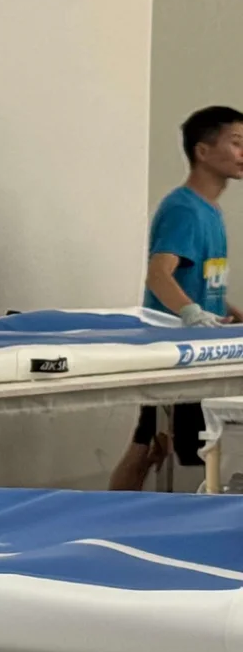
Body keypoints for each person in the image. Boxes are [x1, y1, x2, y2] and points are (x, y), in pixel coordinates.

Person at [109, 106, 243, 491]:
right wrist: (189, 313)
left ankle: (113, 518)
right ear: (202, 151)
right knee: (158, 447)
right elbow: (159, 274)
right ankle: (113, 522)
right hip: (176, 351)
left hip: (200, 347)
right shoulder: (184, 209)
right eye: (236, 143)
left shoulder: (211, 211)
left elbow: (202, 283)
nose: (242, 153)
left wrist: (226, 313)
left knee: (148, 446)